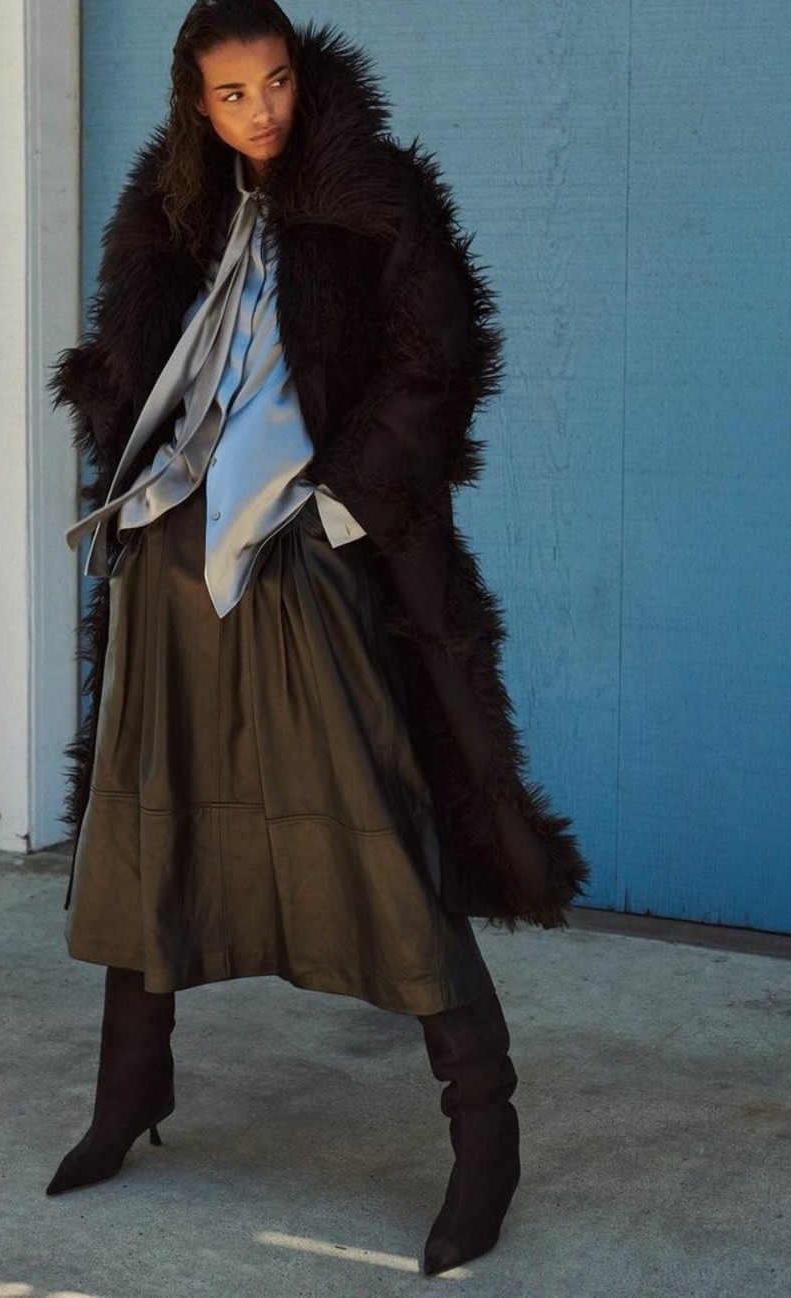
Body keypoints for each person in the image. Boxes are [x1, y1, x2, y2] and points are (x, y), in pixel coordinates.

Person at [44, 0, 589, 1276]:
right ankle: (131, 1085)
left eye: (277, 81)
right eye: (234, 94)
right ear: (197, 102)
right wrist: (132, 456)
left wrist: (340, 506)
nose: (264, 112)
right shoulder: (169, 212)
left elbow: (437, 354)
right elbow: (134, 358)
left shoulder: (373, 194)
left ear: (302, 73)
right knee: (150, 810)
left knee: (381, 823)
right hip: (172, 560)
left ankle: (486, 1127)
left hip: (308, 550)